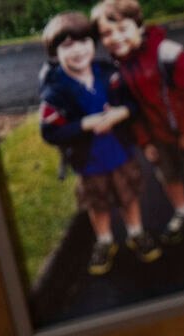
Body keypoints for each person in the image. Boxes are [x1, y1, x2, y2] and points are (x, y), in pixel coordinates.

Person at [92, 0, 184, 252]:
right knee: (168, 176)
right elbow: (135, 110)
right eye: (106, 34)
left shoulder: (167, 53)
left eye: (122, 29)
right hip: (157, 134)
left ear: (139, 26)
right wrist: (145, 141)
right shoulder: (121, 67)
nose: (115, 38)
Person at [36, 11, 159, 276]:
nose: (78, 50)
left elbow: (133, 102)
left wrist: (121, 113)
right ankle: (104, 240)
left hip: (120, 152)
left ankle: (136, 233)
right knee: (97, 203)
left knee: (129, 196)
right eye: (67, 46)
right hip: (88, 161)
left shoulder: (109, 73)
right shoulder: (55, 92)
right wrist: (84, 124)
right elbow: (49, 132)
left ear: (93, 44)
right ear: (55, 53)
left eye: (84, 42)